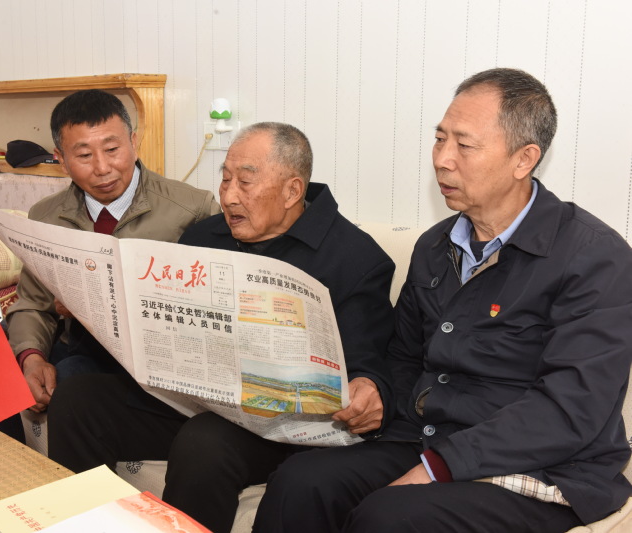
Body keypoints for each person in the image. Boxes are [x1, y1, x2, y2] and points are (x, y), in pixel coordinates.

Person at [252, 68, 632, 533]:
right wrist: (376, 390)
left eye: (464, 145)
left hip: (540, 466)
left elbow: (571, 409)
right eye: (439, 139)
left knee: (389, 518)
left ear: (524, 159)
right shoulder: (435, 246)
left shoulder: (594, 257)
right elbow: (403, 356)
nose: (442, 160)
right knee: (301, 483)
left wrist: (438, 467)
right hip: (426, 438)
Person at [47, 122, 396, 532]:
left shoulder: (355, 259)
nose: (228, 196)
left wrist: (368, 388)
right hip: (191, 401)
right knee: (78, 398)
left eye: (245, 182)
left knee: (205, 440)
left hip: (272, 431)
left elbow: (369, 364)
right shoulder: (204, 236)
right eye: (225, 178)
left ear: (292, 191)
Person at [5, 89, 220, 413]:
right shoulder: (45, 217)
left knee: (72, 390)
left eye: (112, 149)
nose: (103, 167)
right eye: (84, 155)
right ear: (61, 159)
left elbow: (217, 305)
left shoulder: (192, 209)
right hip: (82, 348)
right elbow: (34, 304)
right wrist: (31, 358)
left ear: (133, 142)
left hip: (164, 361)